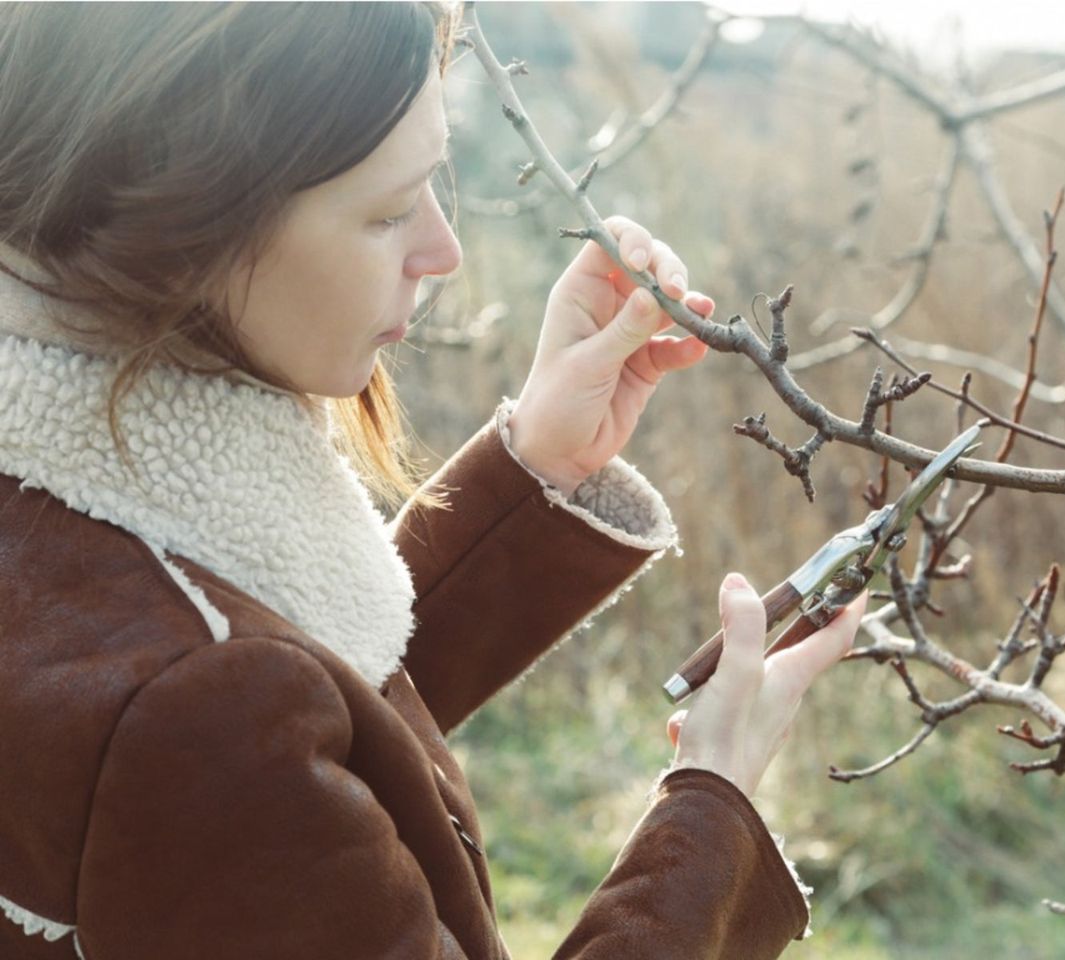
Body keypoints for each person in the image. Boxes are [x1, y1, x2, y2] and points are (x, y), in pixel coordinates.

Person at [0, 4, 866, 958]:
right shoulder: (192, 706)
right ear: (187, 215)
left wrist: (537, 467)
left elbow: (301, 750)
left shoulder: (72, 515)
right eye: (386, 210)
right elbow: (236, 741)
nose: (442, 250)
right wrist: (714, 804)